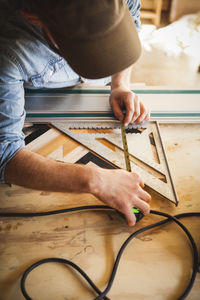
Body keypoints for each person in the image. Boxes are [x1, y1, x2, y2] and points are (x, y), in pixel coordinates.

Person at [0, 0, 151, 226]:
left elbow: (132, 13)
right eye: (84, 46)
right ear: (34, 17)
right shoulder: (7, 55)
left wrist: (120, 84)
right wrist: (94, 180)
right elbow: (5, 155)